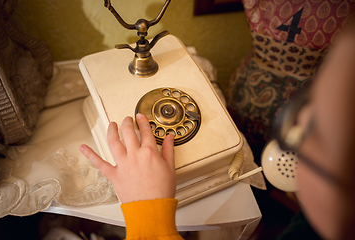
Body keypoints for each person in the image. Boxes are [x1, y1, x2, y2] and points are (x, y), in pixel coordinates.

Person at [80, 24, 355, 240]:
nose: (296, 125)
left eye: (315, 131)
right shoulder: (315, 226)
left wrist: (149, 220)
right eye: (308, 99)